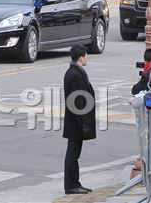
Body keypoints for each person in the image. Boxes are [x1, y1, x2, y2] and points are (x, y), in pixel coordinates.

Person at [63, 45, 95, 195]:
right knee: (73, 155)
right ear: (81, 57)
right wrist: (83, 123)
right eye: (86, 55)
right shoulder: (75, 74)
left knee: (74, 154)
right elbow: (78, 101)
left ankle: (75, 183)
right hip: (76, 122)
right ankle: (71, 185)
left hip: (76, 120)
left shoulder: (75, 71)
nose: (87, 58)